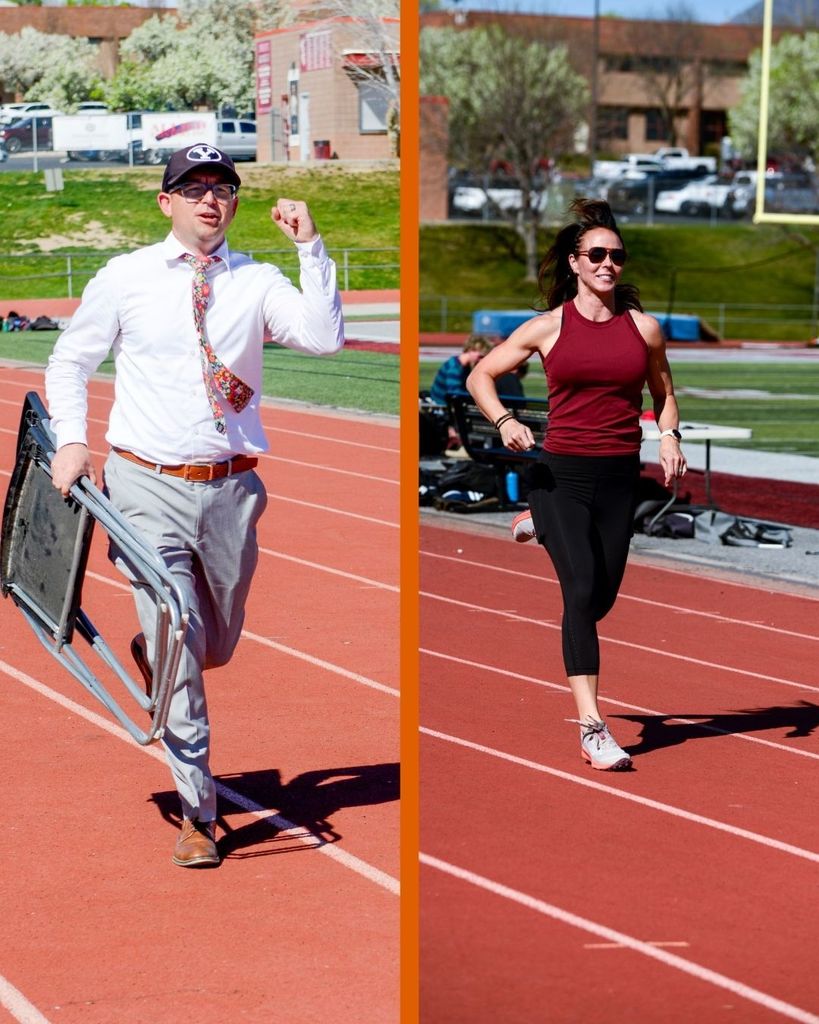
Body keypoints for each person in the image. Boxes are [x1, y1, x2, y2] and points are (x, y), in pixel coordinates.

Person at [45, 143, 344, 865]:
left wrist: (311, 248)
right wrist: (71, 442)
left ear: (235, 203)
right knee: (180, 639)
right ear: (166, 201)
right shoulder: (127, 277)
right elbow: (70, 360)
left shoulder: (257, 279)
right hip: (145, 484)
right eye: (193, 187)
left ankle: (161, 650)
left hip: (233, 490)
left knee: (215, 644)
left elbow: (323, 338)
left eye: (222, 187)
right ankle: (197, 812)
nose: (209, 198)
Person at [466, 198, 686, 771]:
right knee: (581, 593)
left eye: (617, 255)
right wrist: (507, 421)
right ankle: (592, 725)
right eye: (597, 254)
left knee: (603, 596)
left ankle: (539, 528)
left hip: (619, 476)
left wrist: (669, 436)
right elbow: (480, 375)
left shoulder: (644, 328)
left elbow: (664, 394)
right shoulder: (547, 327)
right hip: (558, 472)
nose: (608, 263)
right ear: (575, 262)